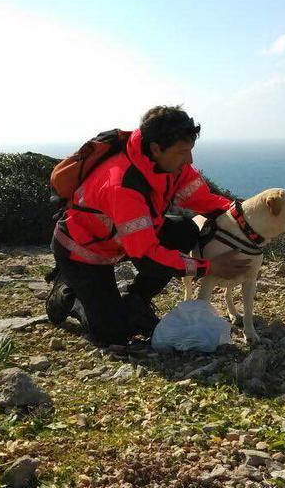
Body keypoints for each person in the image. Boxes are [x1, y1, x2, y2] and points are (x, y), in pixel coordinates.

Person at [46, 105, 250, 346]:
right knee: (114, 335)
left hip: (122, 241)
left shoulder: (169, 164)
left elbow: (203, 200)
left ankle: (136, 300)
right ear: (156, 148)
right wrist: (207, 267)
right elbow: (147, 257)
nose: (190, 159)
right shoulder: (122, 185)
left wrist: (246, 214)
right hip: (83, 252)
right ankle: (69, 294)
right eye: (183, 152)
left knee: (184, 229)